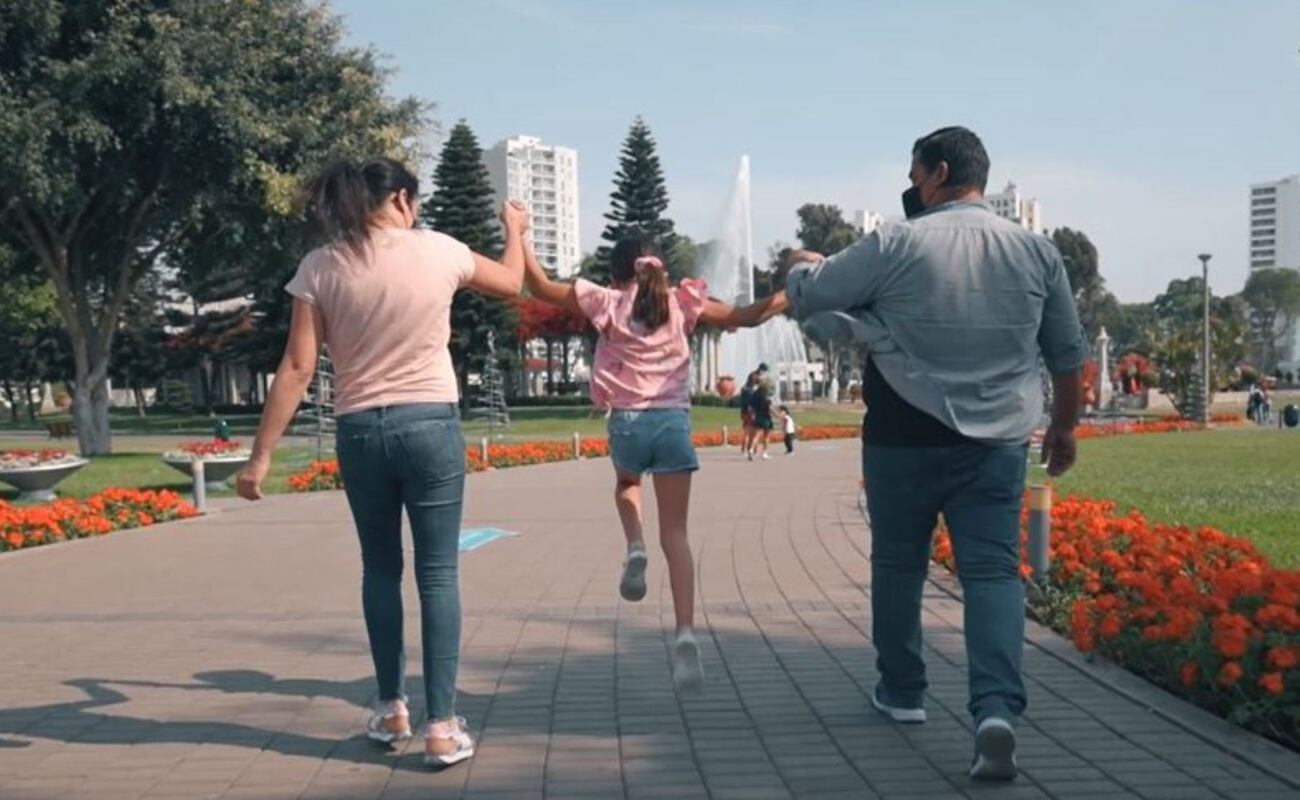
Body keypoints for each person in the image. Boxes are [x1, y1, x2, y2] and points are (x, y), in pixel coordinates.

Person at [780, 127, 1086, 781]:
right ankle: (995, 711)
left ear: (938, 172)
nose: (911, 185)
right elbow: (1068, 357)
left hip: (902, 435)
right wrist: (1064, 428)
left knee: (897, 563)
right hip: (998, 443)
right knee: (994, 574)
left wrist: (800, 265)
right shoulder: (1038, 251)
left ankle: (902, 691)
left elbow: (815, 294)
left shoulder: (896, 240)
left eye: (915, 174)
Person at [234, 158, 530, 770]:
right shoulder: (440, 250)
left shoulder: (321, 265)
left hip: (360, 430)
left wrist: (259, 458)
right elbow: (509, 282)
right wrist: (515, 230)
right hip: (430, 427)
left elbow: (296, 369)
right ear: (400, 198)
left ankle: (393, 707)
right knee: (439, 574)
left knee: (380, 570)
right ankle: (442, 727)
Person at [520, 233, 786, 694]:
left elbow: (540, 286)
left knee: (626, 484)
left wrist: (519, 233)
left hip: (627, 424)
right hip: (672, 426)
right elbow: (745, 316)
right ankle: (684, 631)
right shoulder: (682, 304)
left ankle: (635, 545)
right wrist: (795, 292)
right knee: (678, 534)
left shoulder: (606, 301)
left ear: (616, 273)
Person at [751, 378, 775, 460]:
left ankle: (751, 450)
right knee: (766, 436)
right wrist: (779, 415)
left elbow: (752, 407)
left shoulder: (755, 395)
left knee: (756, 436)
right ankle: (764, 453)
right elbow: (770, 408)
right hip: (766, 418)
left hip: (758, 416)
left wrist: (753, 414)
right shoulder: (765, 397)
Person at [739, 372, 759, 458]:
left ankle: (744, 450)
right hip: (751, 412)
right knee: (753, 432)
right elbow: (751, 403)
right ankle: (752, 450)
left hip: (744, 412)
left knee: (746, 432)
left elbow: (743, 401)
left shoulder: (744, 389)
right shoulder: (752, 391)